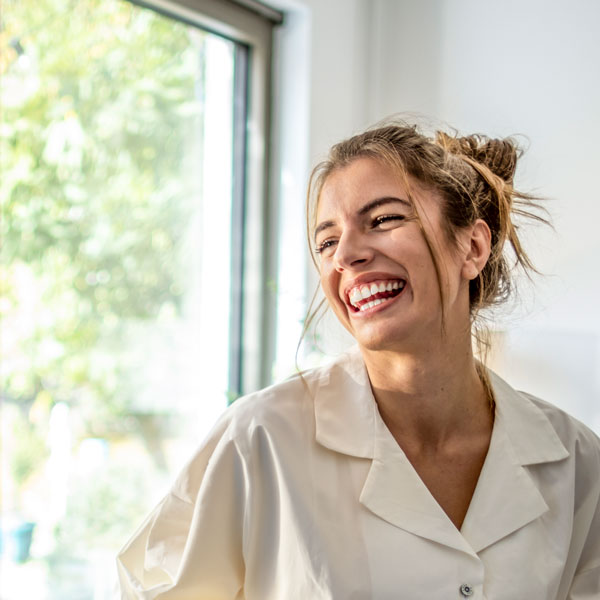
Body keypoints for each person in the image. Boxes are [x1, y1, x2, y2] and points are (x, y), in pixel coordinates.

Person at [116, 121, 600, 599]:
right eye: (326, 242)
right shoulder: (261, 440)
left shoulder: (576, 463)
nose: (345, 254)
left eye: (384, 219)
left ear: (472, 247)